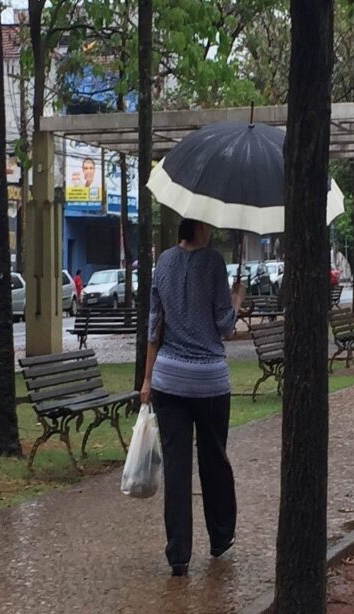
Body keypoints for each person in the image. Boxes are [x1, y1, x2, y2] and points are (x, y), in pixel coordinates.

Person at [141, 218, 246, 577]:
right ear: (200, 226)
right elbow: (224, 327)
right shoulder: (214, 262)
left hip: (168, 380)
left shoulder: (163, 263)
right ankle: (220, 537)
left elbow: (154, 324)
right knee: (214, 460)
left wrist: (147, 379)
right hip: (209, 382)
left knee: (177, 468)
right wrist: (236, 300)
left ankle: (178, 556)